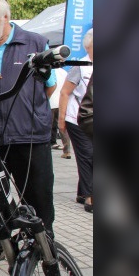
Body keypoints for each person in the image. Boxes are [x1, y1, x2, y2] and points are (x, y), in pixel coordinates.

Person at [0, 0, 58, 268]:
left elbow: (49, 86)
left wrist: (31, 109)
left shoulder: (35, 43)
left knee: (38, 193)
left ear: (6, 17)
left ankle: (42, 242)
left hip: (29, 134)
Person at [59, 29, 94, 213]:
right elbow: (65, 92)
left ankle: (82, 191)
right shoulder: (80, 66)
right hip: (77, 117)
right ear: (88, 47)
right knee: (88, 154)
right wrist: (61, 119)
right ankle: (90, 197)